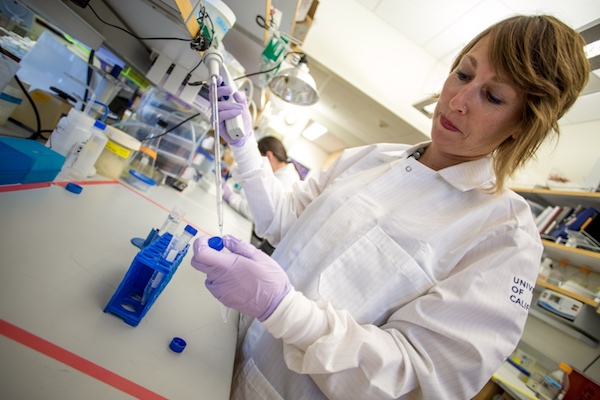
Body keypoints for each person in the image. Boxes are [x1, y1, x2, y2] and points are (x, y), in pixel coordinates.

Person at [191, 15, 590, 400]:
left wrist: (283, 310)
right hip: (224, 360)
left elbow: (421, 379)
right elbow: (283, 220)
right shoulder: (372, 157)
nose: (457, 100)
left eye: (494, 96)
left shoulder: (505, 236)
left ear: (523, 124)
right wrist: (244, 145)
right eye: (464, 74)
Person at [223, 136, 300, 222]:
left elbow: (257, 213)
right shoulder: (283, 174)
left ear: (268, 156)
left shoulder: (286, 180)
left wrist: (230, 197)